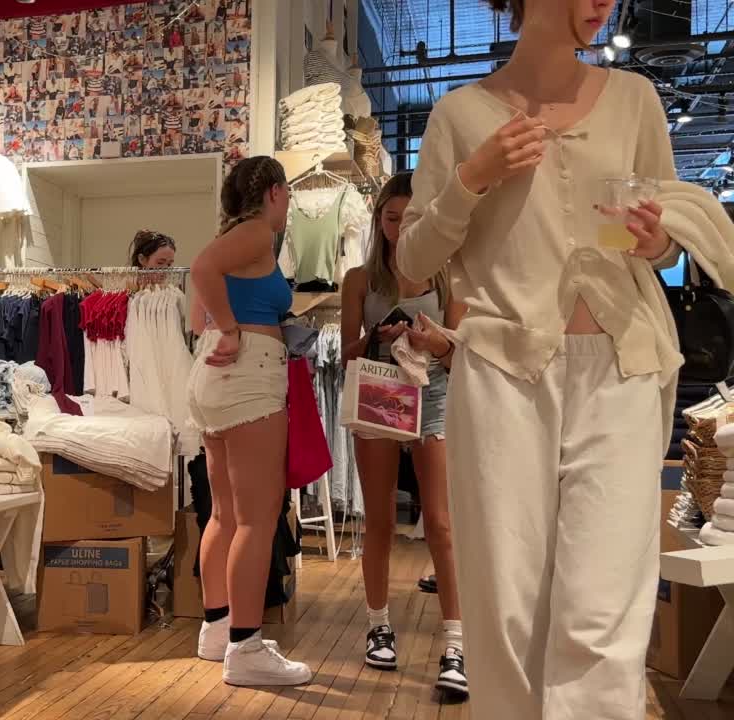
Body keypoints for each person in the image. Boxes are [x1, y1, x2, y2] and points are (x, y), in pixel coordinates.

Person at [398, 1, 696, 717]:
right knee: (507, 611)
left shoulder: (635, 99)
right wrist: (470, 180)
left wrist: (660, 241)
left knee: (604, 612)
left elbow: (668, 240)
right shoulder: (460, 115)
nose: (603, 4)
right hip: (503, 374)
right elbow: (410, 263)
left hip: (621, 367)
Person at [339, 173, 467, 696]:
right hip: (378, 395)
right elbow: (347, 355)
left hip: (433, 397)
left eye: (409, 219)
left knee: (441, 523)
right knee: (380, 521)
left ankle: (455, 643)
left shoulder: (449, 276)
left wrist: (433, 342)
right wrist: (377, 337)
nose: (399, 229)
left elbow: (458, 357)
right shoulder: (359, 280)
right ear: (378, 220)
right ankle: (379, 626)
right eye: (391, 218)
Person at [186, 156, 311, 687]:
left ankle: (218, 631)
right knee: (258, 518)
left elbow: (198, 314)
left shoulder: (236, 236)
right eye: (288, 194)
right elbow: (200, 269)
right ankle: (246, 648)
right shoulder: (259, 233)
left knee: (225, 514)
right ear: (274, 191)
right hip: (250, 374)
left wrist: (224, 327)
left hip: (218, 377)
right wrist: (235, 330)